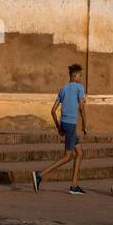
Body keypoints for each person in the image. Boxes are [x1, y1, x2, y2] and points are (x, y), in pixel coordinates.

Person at [32, 63, 88, 195]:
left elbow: (52, 111)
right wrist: (85, 125)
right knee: (68, 156)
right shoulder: (79, 87)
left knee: (79, 153)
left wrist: (58, 127)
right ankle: (39, 175)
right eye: (80, 75)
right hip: (71, 124)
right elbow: (81, 108)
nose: (81, 78)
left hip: (64, 123)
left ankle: (74, 186)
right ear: (74, 76)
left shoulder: (63, 89)